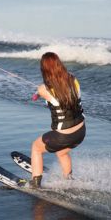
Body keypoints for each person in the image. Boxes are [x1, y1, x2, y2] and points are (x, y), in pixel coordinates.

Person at [27, 52, 86, 188]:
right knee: (62, 152)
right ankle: (68, 179)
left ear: (44, 69)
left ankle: (35, 183)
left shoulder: (44, 89)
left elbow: (43, 93)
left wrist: (38, 93)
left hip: (63, 136)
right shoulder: (73, 79)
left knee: (36, 148)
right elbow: (61, 92)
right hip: (81, 131)